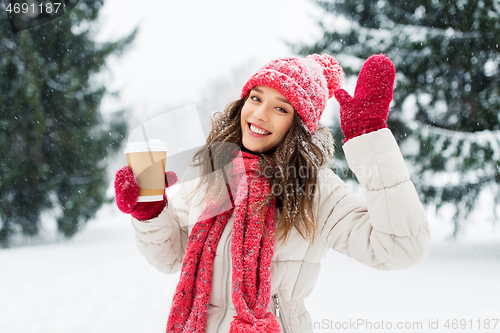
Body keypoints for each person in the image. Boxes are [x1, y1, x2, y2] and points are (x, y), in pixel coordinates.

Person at [114, 54, 431, 333]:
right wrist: (150, 210)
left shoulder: (314, 187)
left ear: (299, 125)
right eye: (256, 98)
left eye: (281, 108)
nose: (260, 114)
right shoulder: (214, 174)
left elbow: (401, 247)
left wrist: (369, 139)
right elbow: (171, 257)